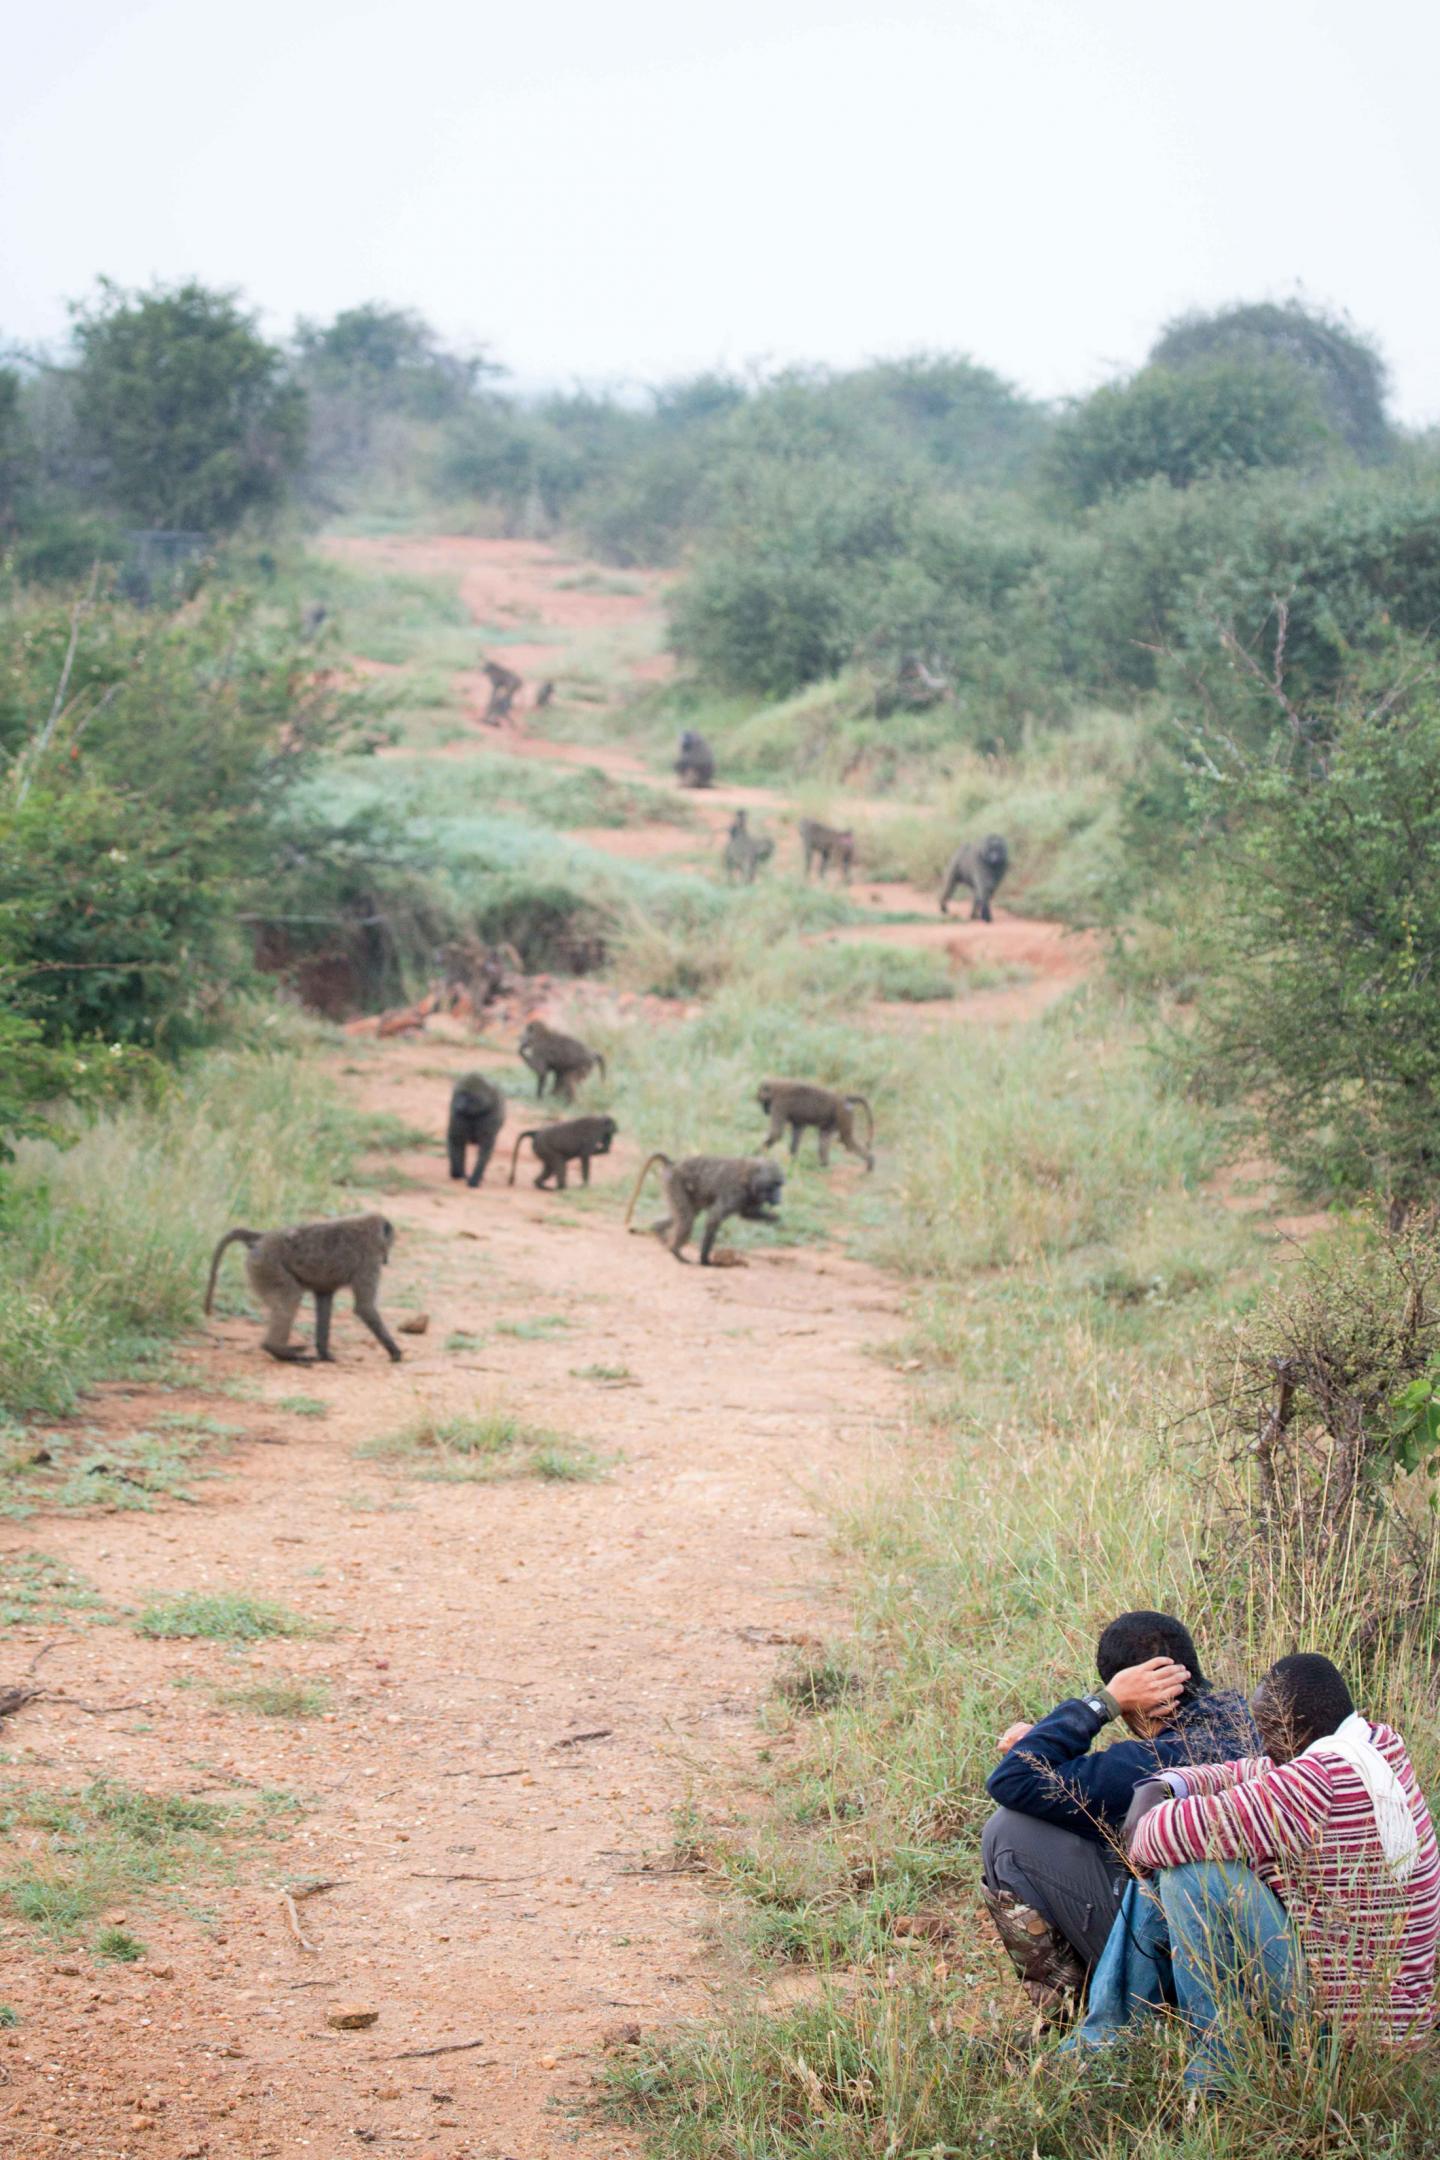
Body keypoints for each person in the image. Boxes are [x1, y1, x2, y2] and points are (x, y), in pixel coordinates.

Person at [1072, 1652, 1440, 2091]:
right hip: (1393, 2020)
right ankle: (1105, 2038)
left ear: (1298, 1730)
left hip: (1344, 2040)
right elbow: (1255, 1770)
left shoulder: (1311, 1785)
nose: (1262, 1745)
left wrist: (1149, 1804)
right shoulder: (1376, 1745)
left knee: (1189, 1872)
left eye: (1267, 1732)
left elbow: (1150, 1840)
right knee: (1180, 1856)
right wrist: (1166, 1783)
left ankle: (1213, 2071)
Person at [981, 1610, 1257, 2019]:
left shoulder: (1154, 1763)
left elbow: (1013, 1780)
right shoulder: (1247, 1721)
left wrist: (1103, 1702)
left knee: (1006, 1831)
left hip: (1186, 1963)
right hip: (1262, 1953)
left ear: (1139, 1698)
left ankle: (1082, 2011)